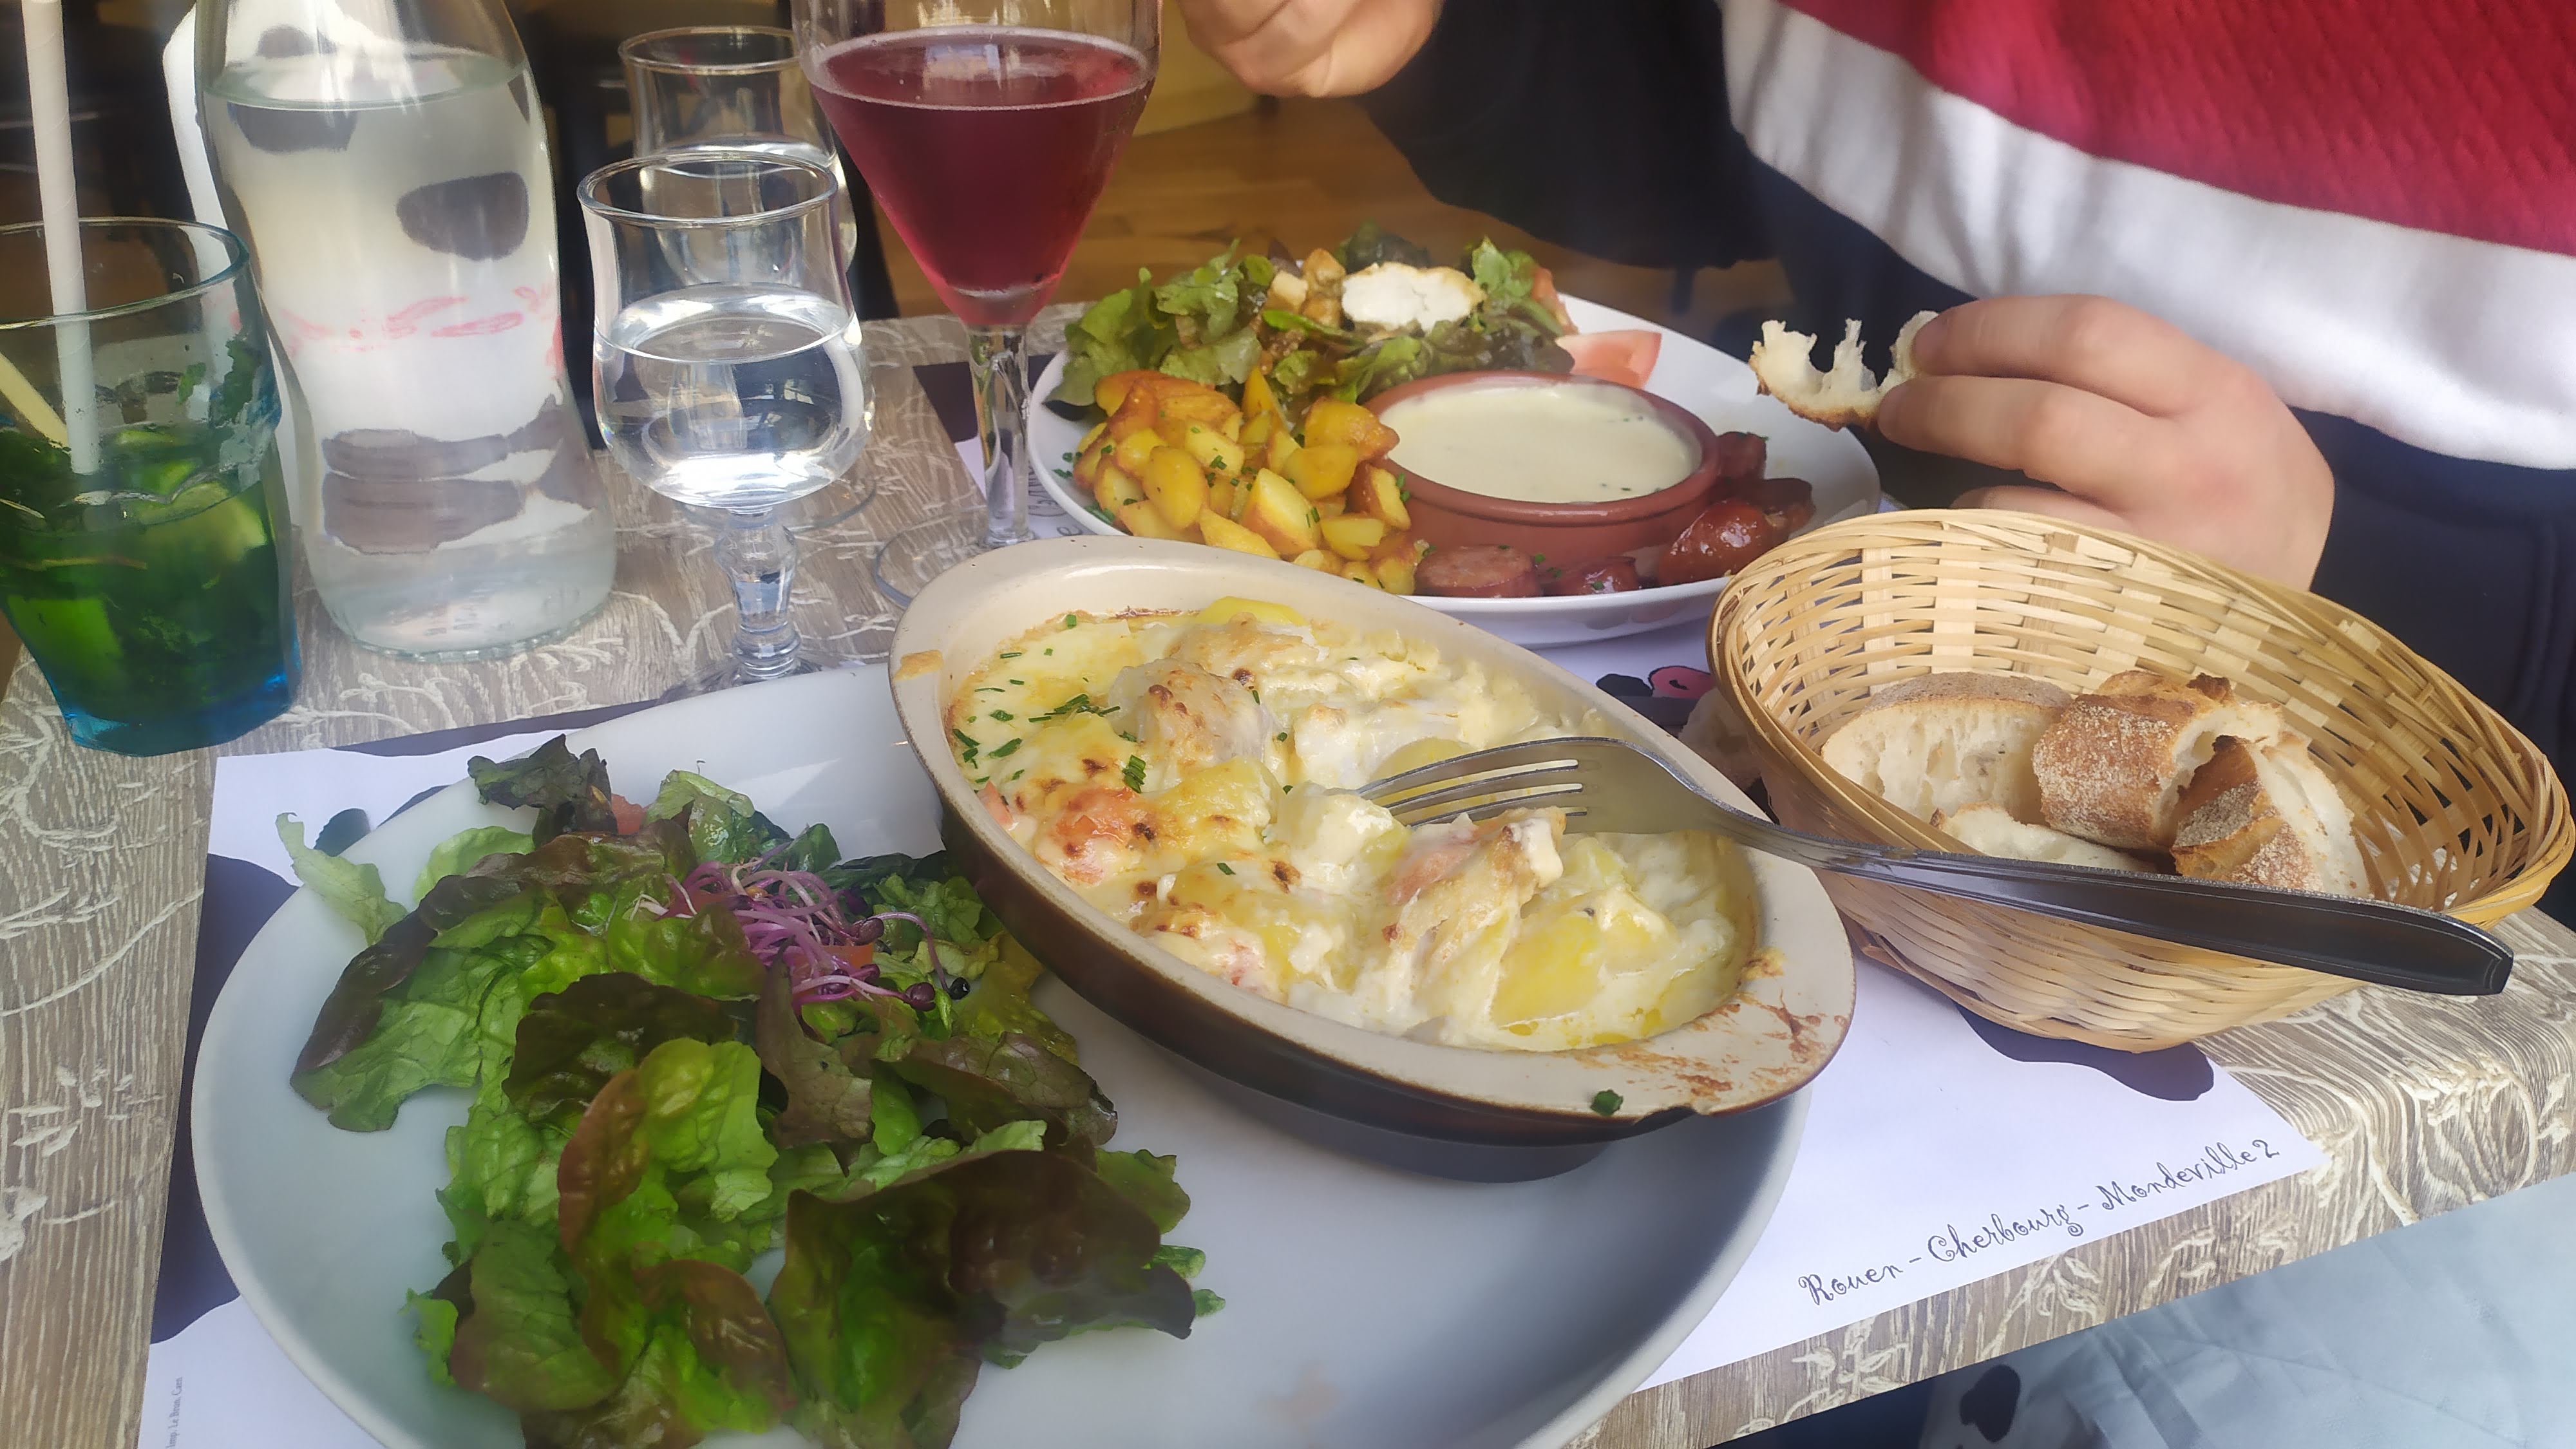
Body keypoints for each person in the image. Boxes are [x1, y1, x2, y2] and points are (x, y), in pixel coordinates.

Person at [1171, 5, 2576, 1447]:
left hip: (2387, 987)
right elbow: (1691, 114)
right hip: (1803, 688)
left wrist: (2346, 583)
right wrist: (1450, 36)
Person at [1173, 0, 2576, 864]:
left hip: (2391, 843)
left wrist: (2349, 583)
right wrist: (1456, 37)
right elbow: (1719, 121)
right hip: (1761, 716)